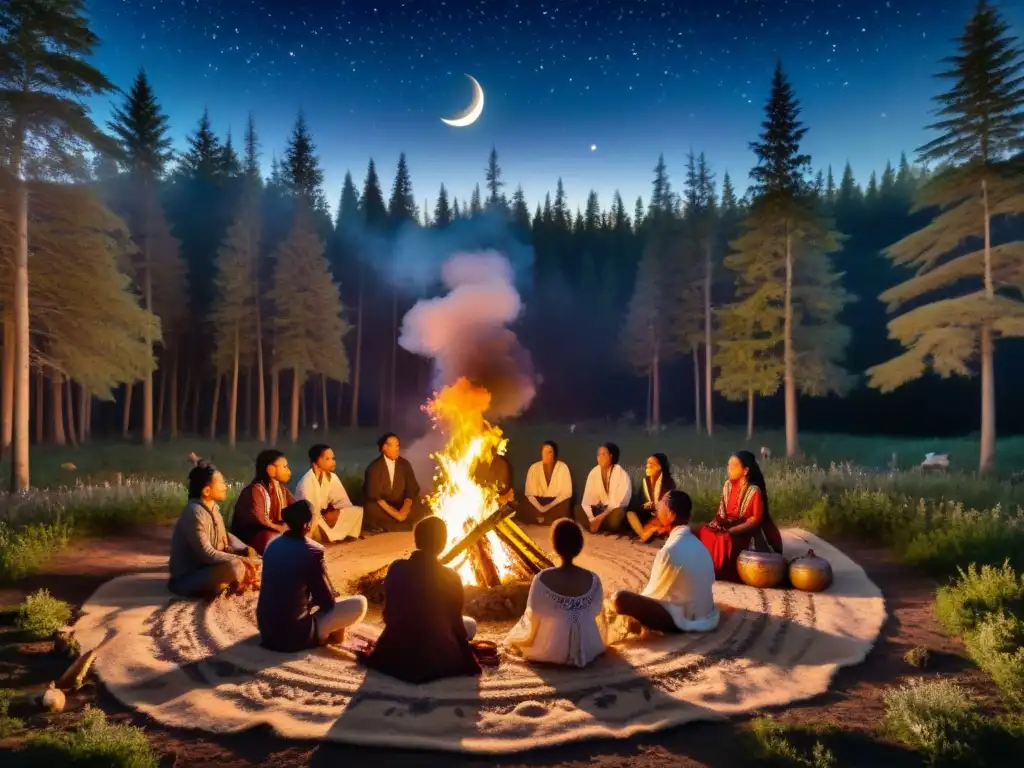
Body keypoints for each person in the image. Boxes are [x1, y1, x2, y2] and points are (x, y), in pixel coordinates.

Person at [363, 516, 481, 684]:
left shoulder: (396, 567)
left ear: (417, 540)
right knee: (470, 625)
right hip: (438, 659)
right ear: (443, 544)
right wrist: (466, 657)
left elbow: (389, 614)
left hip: (394, 655)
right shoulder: (452, 576)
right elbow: (456, 625)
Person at [257, 500, 368, 652]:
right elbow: (326, 602)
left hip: (268, 633)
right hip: (295, 636)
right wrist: (328, 595)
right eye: (316, 516)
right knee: (360, 603)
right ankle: (324, 636)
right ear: (307, 525)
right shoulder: (314, 551)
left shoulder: (272, 545)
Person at [613, 490, 720, 634]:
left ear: (671, 515)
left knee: (620, 598)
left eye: (662, 504)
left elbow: (652, 595)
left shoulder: (668, 552)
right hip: (704, 613)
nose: (658, 507)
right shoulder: (702, 548)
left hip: (683, 619)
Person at [504, 519, 607, 667]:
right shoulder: (593, 579)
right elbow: (596, 611)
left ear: (555, 544)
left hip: (553, 647)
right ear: (579, 545)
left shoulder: (543, 578)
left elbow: (534, 613)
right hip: (589, 644)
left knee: (524, 637)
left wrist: (530, 638)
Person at [169, 461, 258, 598]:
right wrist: (241, 559)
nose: (225, 487)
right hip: (188, 578)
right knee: (235, 566)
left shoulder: (214, 508)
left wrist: (246, 550)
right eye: (221, 483)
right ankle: (225, 584)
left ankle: (232, 582)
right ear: (206, 491)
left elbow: (225, 538)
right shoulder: (194, 512)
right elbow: (207, 554)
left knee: (260, 563)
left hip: (210, 569)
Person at [695, 450, 783, 582]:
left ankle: (718, 571)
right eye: (728, 465)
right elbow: (721, 512)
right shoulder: (727, 486)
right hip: (729, 526)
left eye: (734, 466)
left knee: (723, 539)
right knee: (703, 531)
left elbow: (755, 520)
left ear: (745, 470)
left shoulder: (754, 491)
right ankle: (703, 567)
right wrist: (716, 524)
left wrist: (734, 530)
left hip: (746, 533)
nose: (729, 468)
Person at [295, 444, 364, 543]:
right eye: (328, 459)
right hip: (311, 520)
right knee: (316, 525)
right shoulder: (306, 482)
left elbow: (343, 501)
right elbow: (308, 512)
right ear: (316, 461)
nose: (333, 462)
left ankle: (339, 535)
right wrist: (324, 517)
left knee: (356, 511)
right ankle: (328, 536)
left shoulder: (332, 477)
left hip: (324, 517)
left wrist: (338, 513)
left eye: (333, 459)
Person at [231, 449, 294, 554]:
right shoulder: (256, 489)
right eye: (284, 467)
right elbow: (261, 519)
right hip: (253, 535)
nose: (289, 471)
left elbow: (294, 508)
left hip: (274, 530)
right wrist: (281, 528)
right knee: (270, 538)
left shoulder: (282, 490)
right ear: (270, 469)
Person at [363, 432, 425, 532]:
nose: (397, 449)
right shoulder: (374, 468)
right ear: (384, 448)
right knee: (371, 508)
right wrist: (396, 515)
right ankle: (398, 524)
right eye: (393, 446)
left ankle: (389, 525)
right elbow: (376, 497)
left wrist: (403, 511)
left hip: (401, 504)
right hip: (384, 507)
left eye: (398, 445)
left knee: (418, 502)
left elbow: (411, 490)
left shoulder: (404, 464)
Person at [575, 442, 632, 534]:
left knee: (618, 515)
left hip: (612, 511)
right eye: (598, 455)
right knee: (578, 509)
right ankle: (597, 525)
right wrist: (592, 518)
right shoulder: (594, 472)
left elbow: (618, 503)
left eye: (604, 454)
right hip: (600, 510)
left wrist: (600, 518)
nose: (600, 457)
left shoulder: (620, 473)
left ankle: (599, 525)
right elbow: (588, 499)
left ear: (611, 456)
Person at [626, 453, 678, 542]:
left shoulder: (668, 483)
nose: (648, 466)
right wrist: (644, 505)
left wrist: (658, 506)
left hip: (661, 515)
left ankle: (647, 533)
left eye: (651, 464)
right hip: (648, 513)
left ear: (659, 467)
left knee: (661, 521)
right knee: (630, 513)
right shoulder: (645, 481)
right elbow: (640, 500)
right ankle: (644, 534)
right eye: (647, 463)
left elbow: (671, 504)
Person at [521, 440, 573, 525]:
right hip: (538, 502)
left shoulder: (563, 467)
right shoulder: (534, 467)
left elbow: (566, 494)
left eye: (549, 452)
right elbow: (529, 493)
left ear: (554, 454)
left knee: (566, 505)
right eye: (544, 452)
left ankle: (542, 519)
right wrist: (540, 508)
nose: (546, 455)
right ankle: (546, 519)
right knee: (524, 503)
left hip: (555, 503)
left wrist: (548, 507)